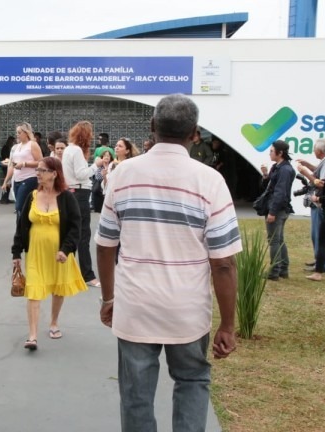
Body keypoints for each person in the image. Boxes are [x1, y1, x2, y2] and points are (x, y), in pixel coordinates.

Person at [96, 94, 241, 432]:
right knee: (191, 381)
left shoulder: (122, 174)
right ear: (195, 134)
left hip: (135, 305)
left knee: (135, 393)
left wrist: (108, 298)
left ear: (152, 127)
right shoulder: (210, 181)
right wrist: (228, 325)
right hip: (187, 309)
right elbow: (223, 263)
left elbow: (104, 246)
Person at [12, 157, 86, 350]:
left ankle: (53, 322)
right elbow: (22, 226)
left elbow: (75, 227)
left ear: (54, 173)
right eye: (37, 169)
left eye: (42, 170)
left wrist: (66, 249)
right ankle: (33, 336)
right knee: (34, 291)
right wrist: (16, 253)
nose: (38, 173)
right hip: (35, 252)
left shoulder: (66, 197)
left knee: (57, 288)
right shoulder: (32, 196)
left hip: (59, 253)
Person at [63, 120, 103, 287]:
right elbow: (81, 174)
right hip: (79, 193)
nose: (92, 137)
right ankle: (88, 275)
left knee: (70, 234)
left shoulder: (67, 150)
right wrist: (96, 165)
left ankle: (67, 273)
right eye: (90, 133)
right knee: (83, 236)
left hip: (70, 192)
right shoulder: (77, 150)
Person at [296, 138, 325, 272]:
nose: (313, 150)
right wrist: (307, 165)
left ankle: (322, 264)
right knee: (315, 234)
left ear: (320, 150)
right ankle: (319, 260)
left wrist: (305, 172)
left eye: (314, 148)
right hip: (317, 203)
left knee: (318, 234)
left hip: (319, 202)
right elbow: (318, 171)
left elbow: (321, 183)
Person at [263, 140, 296, 281]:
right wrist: (265, 174)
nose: (270, 153)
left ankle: (275, 271)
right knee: (279, 239)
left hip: (278, 209)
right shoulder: (277, 167)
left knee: (274, 241)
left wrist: (272, 212)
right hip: (278, 208)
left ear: (280, 153)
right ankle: (283, 269)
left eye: (271, 151)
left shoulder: (285, 170)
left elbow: (280, 192)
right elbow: (269, 186)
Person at [0, 122, 42, 218]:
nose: (17, 135)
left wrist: (24, 164)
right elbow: (11, 165)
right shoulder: (16, 147)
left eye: (19, 132)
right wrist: (6, 181)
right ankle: (20, 230)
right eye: (16, 132)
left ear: (26, 133)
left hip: (29, 178)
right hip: (17, 179)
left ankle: (23, 231)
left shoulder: (32, 144)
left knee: (20, 206)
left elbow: (40, 162)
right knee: (20, 208)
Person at [0, 135, 16, 204]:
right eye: (12, 141)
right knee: (7, 183)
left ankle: (6, 198)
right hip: (6, 167)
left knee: (9, 183)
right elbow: (5, 157)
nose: (12, 142)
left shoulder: (10, 148)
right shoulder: (5, 148)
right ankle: (3, 199)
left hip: (9, 166)